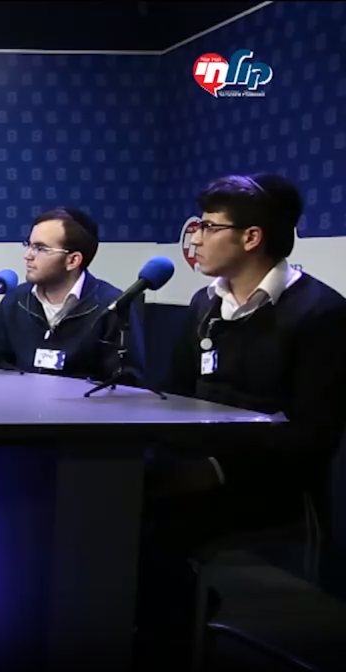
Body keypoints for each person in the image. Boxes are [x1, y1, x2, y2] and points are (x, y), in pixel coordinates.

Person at [138, 173, 346, 668]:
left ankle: (171, 637)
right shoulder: (203, 305)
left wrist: (212, 466)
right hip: (194, 469)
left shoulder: (322, 313)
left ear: (251, 237)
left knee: (147, 530)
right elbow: (173, 396)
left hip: (272, 487)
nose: (196, 239)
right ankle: (169, 617)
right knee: (108, 504)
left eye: (209, 227)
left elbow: (311, 437)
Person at [0, 206, 147, 382]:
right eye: (29, 245)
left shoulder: (113, 307)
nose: (28, 255)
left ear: (72, 260)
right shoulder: (15, 301)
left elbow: (127, 381)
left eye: (40, 248)